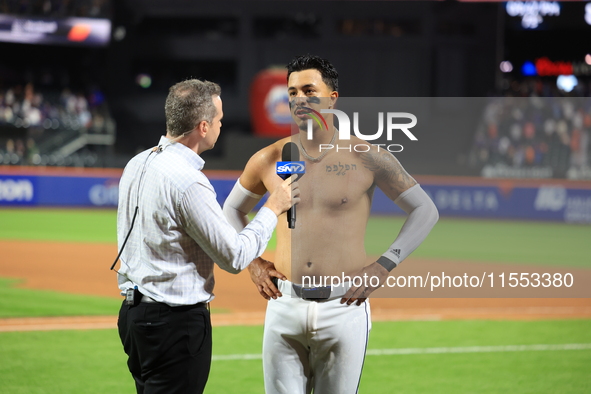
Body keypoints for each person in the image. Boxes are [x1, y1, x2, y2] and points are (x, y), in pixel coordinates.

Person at [223, 55, 439, 394]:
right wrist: (254, 263)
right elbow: (231, 209)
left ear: (333, 98)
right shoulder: (269, 158)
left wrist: (385, 265)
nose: (299, 99)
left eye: (310, 90)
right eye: (292, 92)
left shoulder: (367, 155)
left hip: (345, 306)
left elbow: (425, 211)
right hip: (283, 302)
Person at [116, 79, 299, 394]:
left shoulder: (138, 163)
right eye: (218, 119)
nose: (221, 124)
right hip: (174, 324)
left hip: (134, 316)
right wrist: (273, 206)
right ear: (203, 126)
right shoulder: (189, 181)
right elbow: (234, 257)